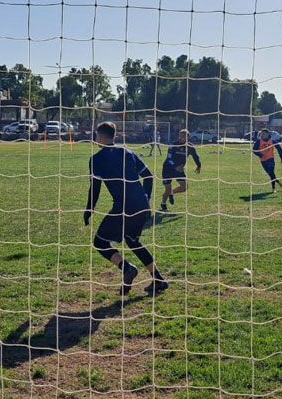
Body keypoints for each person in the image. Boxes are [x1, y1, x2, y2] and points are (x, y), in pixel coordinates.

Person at [85, 121, 167, 296]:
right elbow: (149, 177)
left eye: (96, 136)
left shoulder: (96, 159)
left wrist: (89, 210)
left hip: (124, 208)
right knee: (132, 241)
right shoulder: (128, 152)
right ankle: (159, 279)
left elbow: (95, 189)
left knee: (100, 242)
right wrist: (146, 199)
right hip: (142, 207)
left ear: (100, 137)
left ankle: (127, 268)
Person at [159, 128, 201, 212]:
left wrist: (199, 165)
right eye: (180, 136)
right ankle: (163, 203)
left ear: (188, 137)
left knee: (184, 188)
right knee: (167, 190)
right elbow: (169, 158)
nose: (181, 138)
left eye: (183, 136)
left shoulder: (190, 147)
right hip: (168, 169)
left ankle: (172, 193)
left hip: (179, 170)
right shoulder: (173, 145)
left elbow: (195, 156)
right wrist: (175, 166)